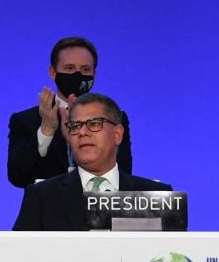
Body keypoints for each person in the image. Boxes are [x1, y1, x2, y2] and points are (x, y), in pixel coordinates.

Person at [13, 93, 168, 230]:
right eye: (75, 126)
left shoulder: (156, 196)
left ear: (117, 134)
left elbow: (176, 253)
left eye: (94, 124)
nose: (82, 132)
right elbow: (17, 255)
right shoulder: (42, 196)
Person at [7, 37, 132, 187]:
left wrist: (76, 138)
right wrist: (46, 130)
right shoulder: (26, 120)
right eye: (69, 68)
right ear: (53, 72)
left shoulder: (114, 119)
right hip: (47, 209)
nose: (78, 75)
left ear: (94, 75)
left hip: (98, 208)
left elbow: (124, 176)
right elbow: (18, 177)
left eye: (85, 69)